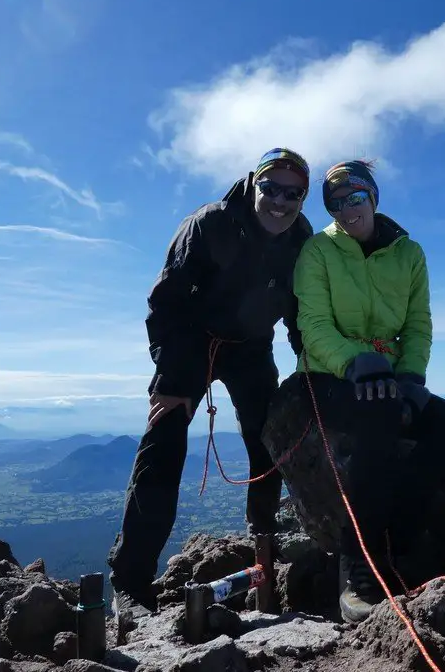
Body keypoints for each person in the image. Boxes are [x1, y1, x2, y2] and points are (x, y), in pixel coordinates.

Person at [107, 148, 314, 617]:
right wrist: (169, 376)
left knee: (269, 442)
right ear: (253, 184)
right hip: (192, 342)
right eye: (271, 188)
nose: (280, 201)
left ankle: (264, 547)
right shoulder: (209, 224)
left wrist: (310, 366)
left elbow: (302, 312)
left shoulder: (302, 238)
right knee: (164, 442)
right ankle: (131, 581)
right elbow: (167, 302)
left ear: (303, 198)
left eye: (292, 193)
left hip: (253, 348)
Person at [292, 159, 445, 624]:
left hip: (392, 378)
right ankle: (358, 568)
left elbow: (418, 323)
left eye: (355, 197)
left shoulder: (408, 253)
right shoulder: (318, 251)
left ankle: (400, 535)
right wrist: (355, 361)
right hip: (330, 375)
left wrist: (412, 378)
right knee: (378, 420)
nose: (346, 209)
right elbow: (312, 325)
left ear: (373, 197)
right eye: (335, 202)